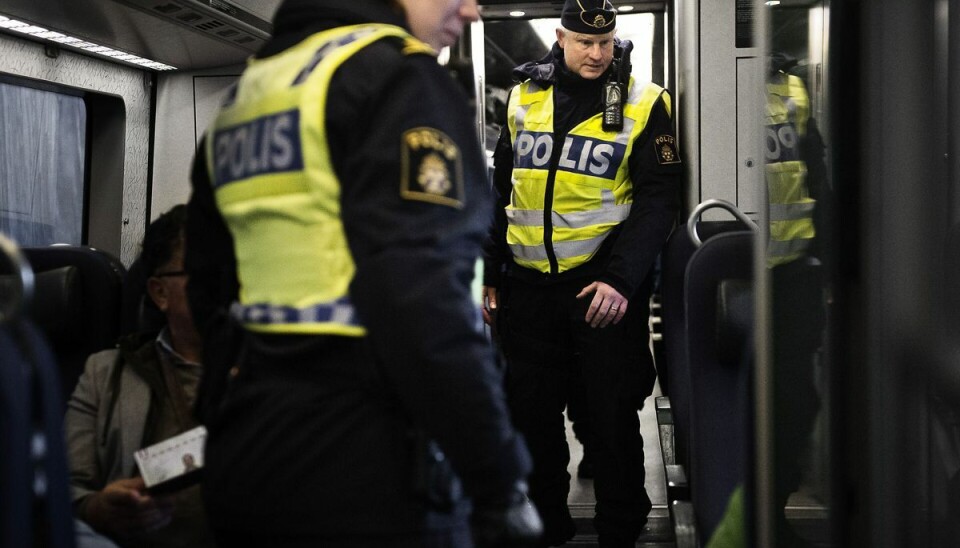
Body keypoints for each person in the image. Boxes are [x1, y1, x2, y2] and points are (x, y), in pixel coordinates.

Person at [183, 1, 542, 547]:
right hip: (370, 467)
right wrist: (498, 479)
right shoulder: (399, 80)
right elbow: (423, 301)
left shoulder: (253, 90)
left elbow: (209, 290)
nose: (470, 9)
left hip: (249, 455)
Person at [480, 0, 682, 546]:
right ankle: (547, 526)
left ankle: (621, 530)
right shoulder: (524, 98)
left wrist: (622, 280)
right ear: (561, 38)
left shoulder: (644, 102)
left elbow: (658, 200)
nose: (597, 53)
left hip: (599, 284)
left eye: (606, 42)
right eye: (585, 42)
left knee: (611, 417)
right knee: (532, 417)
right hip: (527, 286)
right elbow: (504, 190)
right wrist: (490, 270)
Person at [64, 204, 215, 548]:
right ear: (161, 293)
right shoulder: (105, 375)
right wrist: (99, 509)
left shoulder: (272, 375)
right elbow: (66, 494)